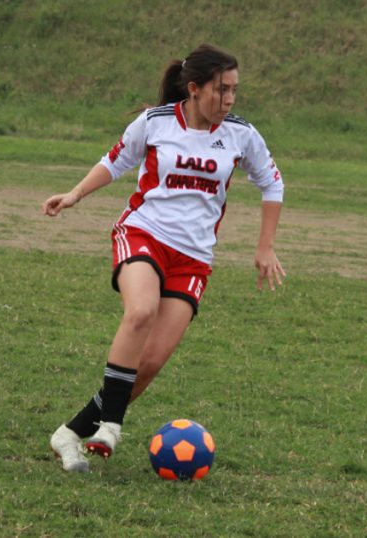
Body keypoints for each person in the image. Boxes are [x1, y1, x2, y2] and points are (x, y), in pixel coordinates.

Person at [43, 44, 285, 472]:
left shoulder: (241, 134)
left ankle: (71, 433)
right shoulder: (155, 122)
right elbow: (115, 161)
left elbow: (272, 183)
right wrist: (75, 194)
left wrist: (265, 246)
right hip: (144, 234)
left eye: (234, 90)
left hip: (193, 258)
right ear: (194, 88)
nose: (229, 99)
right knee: (141, 311)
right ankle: (111, 425)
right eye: (221, 89)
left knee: (150, 363)